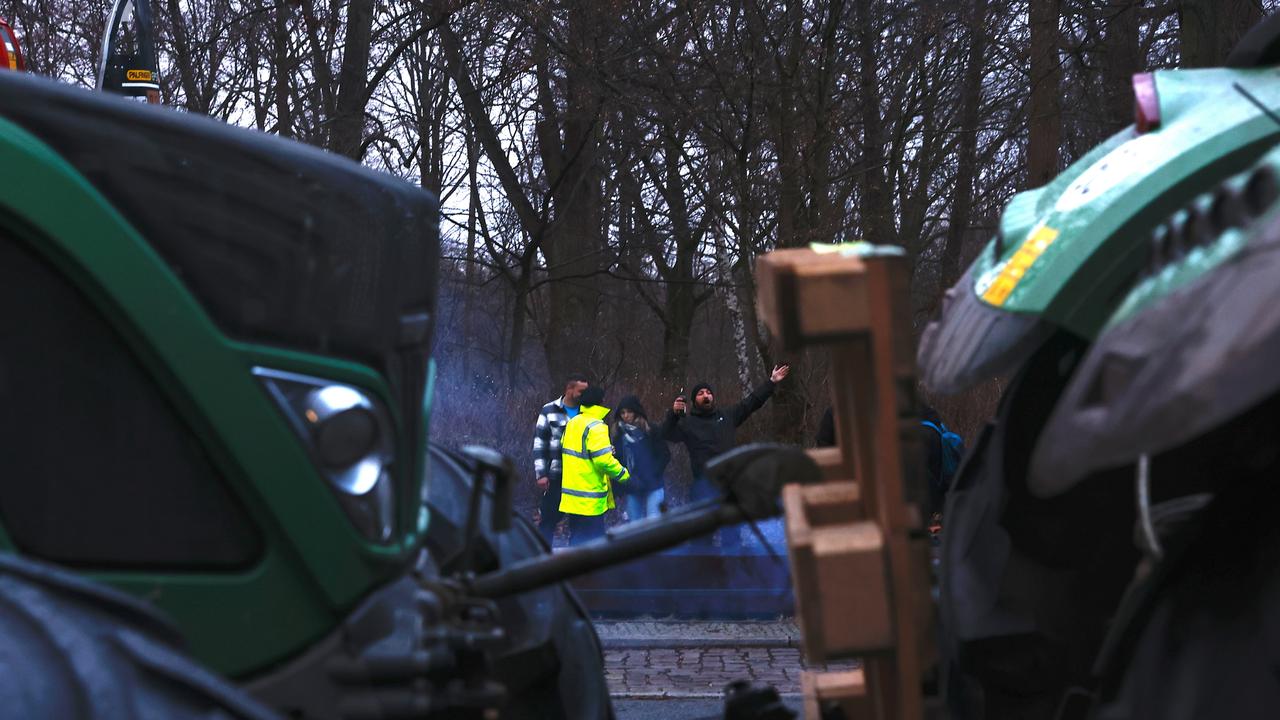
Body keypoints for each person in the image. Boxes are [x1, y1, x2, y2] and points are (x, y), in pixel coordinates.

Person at [662, 364, 791, 548]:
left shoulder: (727, 416)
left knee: (732, 535)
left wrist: (771, 383)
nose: (706, 395)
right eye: (701, 393)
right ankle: (703, 571)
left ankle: (733, 570)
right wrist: (673, 415)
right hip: (702, 487)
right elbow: (666, 434)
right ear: (694, 400)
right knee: (701, 537)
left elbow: (751, 403)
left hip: (729, 485)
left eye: (708, 392)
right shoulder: (687, 423)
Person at [559, 386, 630, 546]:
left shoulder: (572, 423)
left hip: (572, 498)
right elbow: (603, 461)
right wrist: (624, 475)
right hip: (590, 499)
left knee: (576, 541)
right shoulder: (597, 426)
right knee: (593, 545)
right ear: (600, 402)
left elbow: (571, 448)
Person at [532, 373, 588, 545]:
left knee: (579, 523)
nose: (584, 395)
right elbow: (540, 443)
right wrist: (541, 473)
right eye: (581, 391)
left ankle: (576, 561)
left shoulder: (587, 411)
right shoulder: (549, 410)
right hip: (557, 475)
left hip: (581, 477)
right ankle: (542, 557)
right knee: (548, 519)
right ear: (569, 389)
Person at [613, 395, 670, 523]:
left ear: (636, 411)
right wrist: (620, 486)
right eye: (622, 412)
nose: (626, 415)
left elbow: (665, 455)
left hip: (653, 483)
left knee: (655, 523)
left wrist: (653, 473)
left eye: (629, 411)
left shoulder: (651, 430)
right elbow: (617, 461)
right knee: (635, 526)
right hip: (632, 484)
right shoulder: (619, 435)